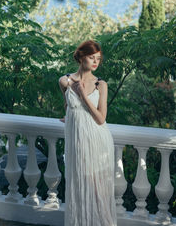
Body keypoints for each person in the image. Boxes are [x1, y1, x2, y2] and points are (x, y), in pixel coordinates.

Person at [58, 40, 117, 226]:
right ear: (81, 57)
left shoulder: (101, 84)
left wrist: (83, 95)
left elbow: (100, 118)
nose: (95, 62)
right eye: (92, 57)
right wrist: (69, 116)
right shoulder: (65, 81)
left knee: (98, 188)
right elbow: (68, 106)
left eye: (98, 59)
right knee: (79, 185)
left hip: (97, 140)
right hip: (77, 140)